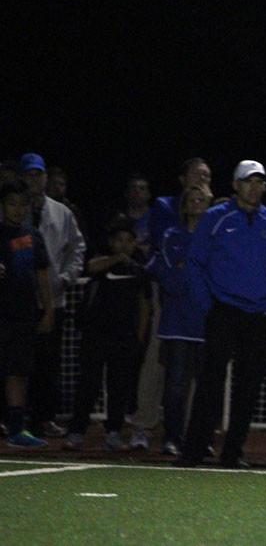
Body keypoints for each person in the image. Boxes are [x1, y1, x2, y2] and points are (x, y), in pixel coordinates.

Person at [175, 160, 266, 468]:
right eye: (250, 181)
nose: (257, 188)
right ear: (236, 185)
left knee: (248, 387)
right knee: (210, 383)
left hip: (259, 314)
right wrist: (207, 304)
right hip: (224, 310)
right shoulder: (215, 218)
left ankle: (232, 453)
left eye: (261, 182)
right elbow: (196, 262)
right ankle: (194, 451)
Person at [131, 157, 212, 450]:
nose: (202, 178)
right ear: (182, 178)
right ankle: (143, 424)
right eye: (196, 173)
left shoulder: (213, 216)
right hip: (170, 299)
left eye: (207, 175)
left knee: (194, 375)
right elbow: (165, 251)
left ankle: (186, 433)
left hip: (199, 306)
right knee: (157, 362)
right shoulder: (165, 207)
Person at [63, 215, 151, 451]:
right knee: (88, 385)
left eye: (128, 240)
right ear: (111, 241)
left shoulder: (139, 265)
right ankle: (76, 431)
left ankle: (113, 431)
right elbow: (90, 267)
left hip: (124, 337)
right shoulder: (103, 259)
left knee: (119, 387)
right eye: (119, 240)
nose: (124, 245)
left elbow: (144, 303)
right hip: (96, 333)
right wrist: (116, 258)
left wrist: (139, 338)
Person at [19, 153, 86, 438]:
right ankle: (15, 418)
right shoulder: (11, 210)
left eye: (39, 175)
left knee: (47, 363)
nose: (35, 180)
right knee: (17, 361)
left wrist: (66, 277)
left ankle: (43, 418)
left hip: (52, 299)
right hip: (17, 300)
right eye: (30, 175)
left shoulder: (61, 212)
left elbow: (77, 247)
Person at [1, 179, 54, 448]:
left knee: (17, 373)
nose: (18, 209)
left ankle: (17, 430)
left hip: (23, 315)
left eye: (23, 204)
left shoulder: (33, 237)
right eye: (12, 203)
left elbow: (43, 275)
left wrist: (48, 310)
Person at [123, 172, 152, 257]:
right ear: (126, 193)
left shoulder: (158, 217)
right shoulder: (117, 219)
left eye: (142, 189)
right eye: (133, 188)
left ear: (149, 194)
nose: (137, 192)